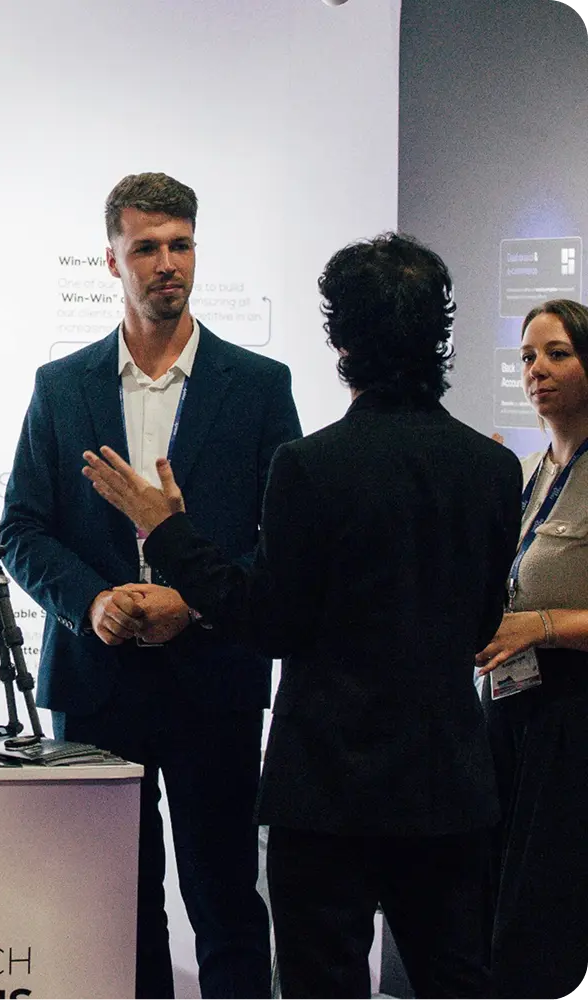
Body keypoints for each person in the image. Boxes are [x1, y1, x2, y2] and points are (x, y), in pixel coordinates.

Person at [82, 232, 524, 1000]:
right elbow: (483, 621)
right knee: (458, 978)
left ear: (341, 339)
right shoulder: (493, 467)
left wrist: (170, 532)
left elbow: (270, 621)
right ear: (440, 333)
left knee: (323, 984)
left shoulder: (312, 467)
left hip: (328, 787)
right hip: (446, 779)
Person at [0, 172, 301, 1000]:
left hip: (216, 680)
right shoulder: (62, 387)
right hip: (99, 685)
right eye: (147, 248)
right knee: (113, 912)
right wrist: (92, 601)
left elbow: (285, 540)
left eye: (181, 245)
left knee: (228, 903)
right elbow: (21, 528)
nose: (168, 263)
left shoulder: (260, 385)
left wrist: (193, 600)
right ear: (111, 261)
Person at [476, 299, 588, 1000]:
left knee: (551, 909)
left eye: (557, 353)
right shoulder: (524, 472)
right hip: (512, 709)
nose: (537, 370)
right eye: (526, 357)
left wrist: (542, 626)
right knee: (499, 895)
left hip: (576, 713)